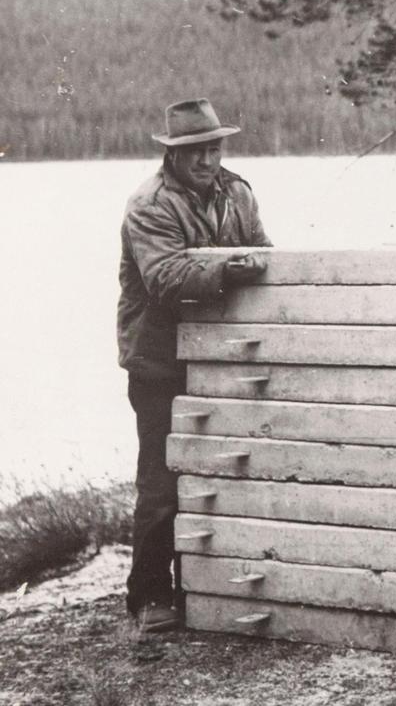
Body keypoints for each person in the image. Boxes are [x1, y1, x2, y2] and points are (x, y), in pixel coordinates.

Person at [117, 98, 271, 632]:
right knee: (161, 485)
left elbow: (264, 254)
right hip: (160, 361)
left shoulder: (238, 193)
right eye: (195, 151)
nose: (207, 159)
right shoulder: (150, 204)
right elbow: (163, 278)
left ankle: (203, 588)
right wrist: (231, 271)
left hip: (218, 357)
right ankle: (149, 596)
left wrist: (254, 268)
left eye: (214, 147)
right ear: (173, 155)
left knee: (220, 475)